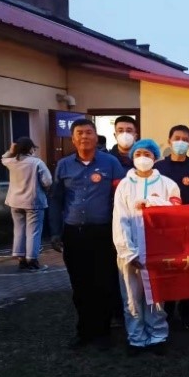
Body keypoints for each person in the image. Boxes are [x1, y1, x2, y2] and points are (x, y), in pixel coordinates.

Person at [49, 119, 125, 350]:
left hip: (103, 233)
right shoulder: (63, 165)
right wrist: (55, 232)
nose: (84, 137)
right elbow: (56, 200)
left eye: (89, 132)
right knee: (80, 285)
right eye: (79, 133)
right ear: (73, 139)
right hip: (74, 234)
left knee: (104, 283)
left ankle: (103, 333)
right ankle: (85, 332)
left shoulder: (111, 163)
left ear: (96, 136)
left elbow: (121, 197)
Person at [113, 139, 181, 356]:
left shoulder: (168, 184)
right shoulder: (125, 185)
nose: (142, 158)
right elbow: (120, 219)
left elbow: (176, 211)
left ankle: (158, 336)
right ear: (132, 157)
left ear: (155, 157)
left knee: (156, 296)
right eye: (138, 154)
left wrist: (151, 202)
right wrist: (128, 252)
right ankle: (136, 338)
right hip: (129, 252)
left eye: (147, 154)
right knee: (131, 297)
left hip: (157, 252)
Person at [155, 124, 189, 329]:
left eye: (185, 140)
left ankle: (188, 312)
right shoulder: (159, 168)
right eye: (177, 138)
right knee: (168, 270)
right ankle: (167, 313)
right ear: (169, 141)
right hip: (164, 230)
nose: (181, 142)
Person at [1, 137, 52, 270]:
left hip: (15, 201)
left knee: (19, 229)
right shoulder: (37, 162)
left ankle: (21, 258)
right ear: (30, 149)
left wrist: (11, 151)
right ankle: (32, 260)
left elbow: (3, 158)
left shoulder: (12, 161)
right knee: (33, 231)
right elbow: (47, 181)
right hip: (33, 202)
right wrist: (45, 190)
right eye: (33, 148)